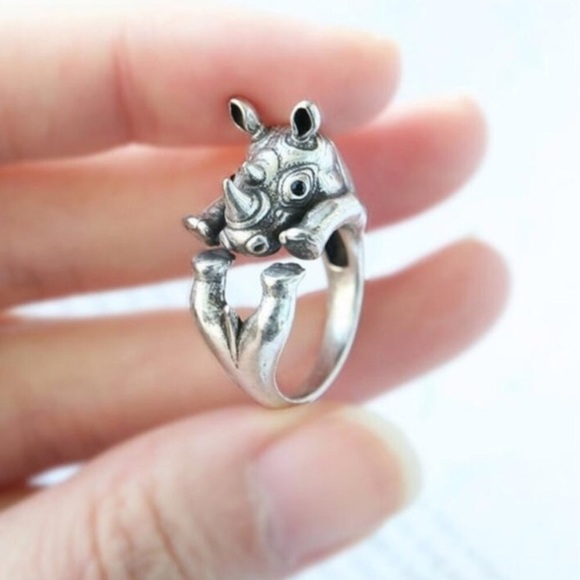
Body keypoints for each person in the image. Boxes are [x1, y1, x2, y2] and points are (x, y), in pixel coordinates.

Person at [0, 6, 508, 579]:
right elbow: (253, 195)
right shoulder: (266, 164)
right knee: (233, 273)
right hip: (268, 271)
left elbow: (339, 210)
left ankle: (268, 300)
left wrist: (310, 228)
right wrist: (223, 220)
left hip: (312, 237)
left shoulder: (324, 176)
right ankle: (242, 300)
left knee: (278, 288)